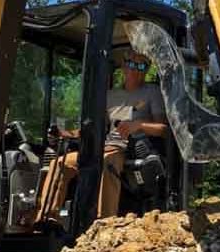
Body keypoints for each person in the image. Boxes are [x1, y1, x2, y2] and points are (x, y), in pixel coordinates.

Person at [36, 51, 168, 222]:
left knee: (107, 162)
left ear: (146, 69)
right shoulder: (110, 95)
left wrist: (140, 125)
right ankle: (47, 218)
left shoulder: (152, 92)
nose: (135, 69)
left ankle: (104, 222)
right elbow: (97, 127)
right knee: (59, 163)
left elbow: (164, 129)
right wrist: (66, 134)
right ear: (123, 66)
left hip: (129, 149)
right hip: (102, 146)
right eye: (131, 63)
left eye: (141, 65)